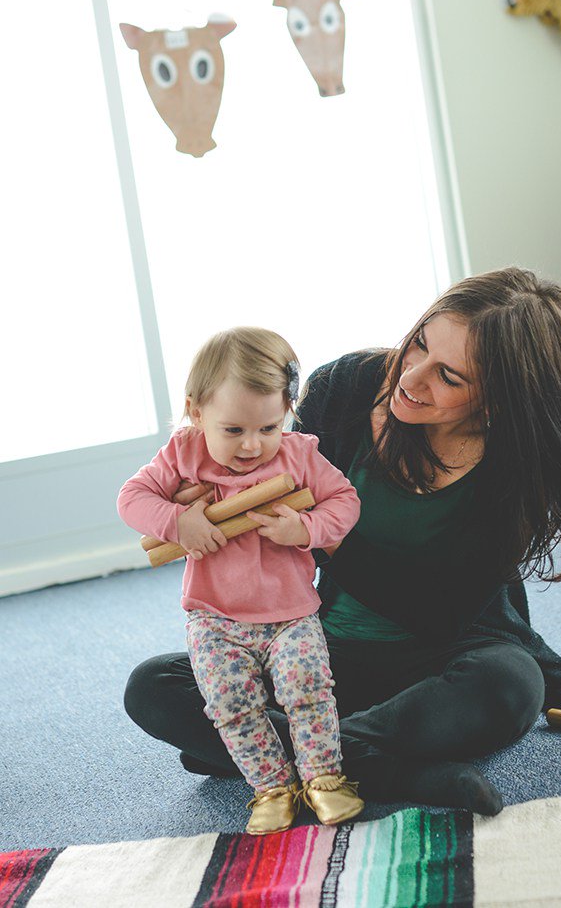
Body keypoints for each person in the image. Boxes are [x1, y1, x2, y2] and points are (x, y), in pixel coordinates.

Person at [124, 268, 561, 817]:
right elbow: (247, 453)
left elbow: (438, 614)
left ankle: (276, 754)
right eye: (420, 345)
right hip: (317, 649)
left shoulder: (518, 469)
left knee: (511, 687)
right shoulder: (348, 388)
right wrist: (204, 502)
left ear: (497, 400)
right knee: (153, 687)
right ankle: (386, 769)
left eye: (449, 377)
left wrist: (328, 541)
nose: (412, 376)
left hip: (436, 656)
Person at [118, 327, 365, 834]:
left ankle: (324, 778)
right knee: (230, 704)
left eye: (268, 427)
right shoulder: (184, 453)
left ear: (288, 412)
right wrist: (179, 522)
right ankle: (272, 785)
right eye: (233, 431)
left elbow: (346, 501)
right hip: (215, 618)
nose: (253, 445)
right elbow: (131, 499)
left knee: (309, 690)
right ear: (196, 411)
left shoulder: (297, 455)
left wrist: (306, 528)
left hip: (291, 614)